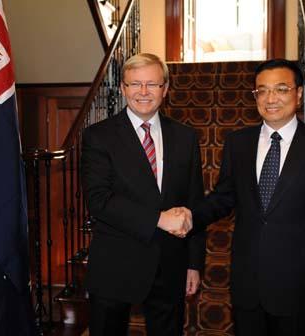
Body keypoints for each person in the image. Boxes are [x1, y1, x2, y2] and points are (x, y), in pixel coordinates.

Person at [192, 58, 305, 335]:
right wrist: (190, 216)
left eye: (281, 89)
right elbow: (224, 197)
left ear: (299, 94)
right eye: (262, 91)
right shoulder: (238, 142)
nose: (270, 98)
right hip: (247, 286)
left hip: (300, 287)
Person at [81, 53, 205, 336]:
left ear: (166, 88)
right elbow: (99, 200)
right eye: (135, 84)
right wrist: (158, 219)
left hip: (170, 264)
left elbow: (194, 202)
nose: (143, 92)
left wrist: (194, 264)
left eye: (152, 84)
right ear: (123, 88)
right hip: (115, 264)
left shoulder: (186, 137)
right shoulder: (98, 136)